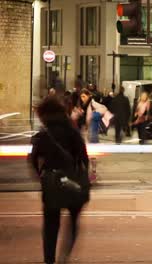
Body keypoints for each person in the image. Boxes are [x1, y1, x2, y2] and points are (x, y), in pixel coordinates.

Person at [30, 97, 90, 264]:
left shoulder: (43, 134)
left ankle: (49, 259)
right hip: (73, 182)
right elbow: (84, 158)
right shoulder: (72, 131)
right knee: (72, 221)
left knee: (51, 223)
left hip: (52, 182)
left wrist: (40, 176)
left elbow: (34, 159)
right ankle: (64, 257)